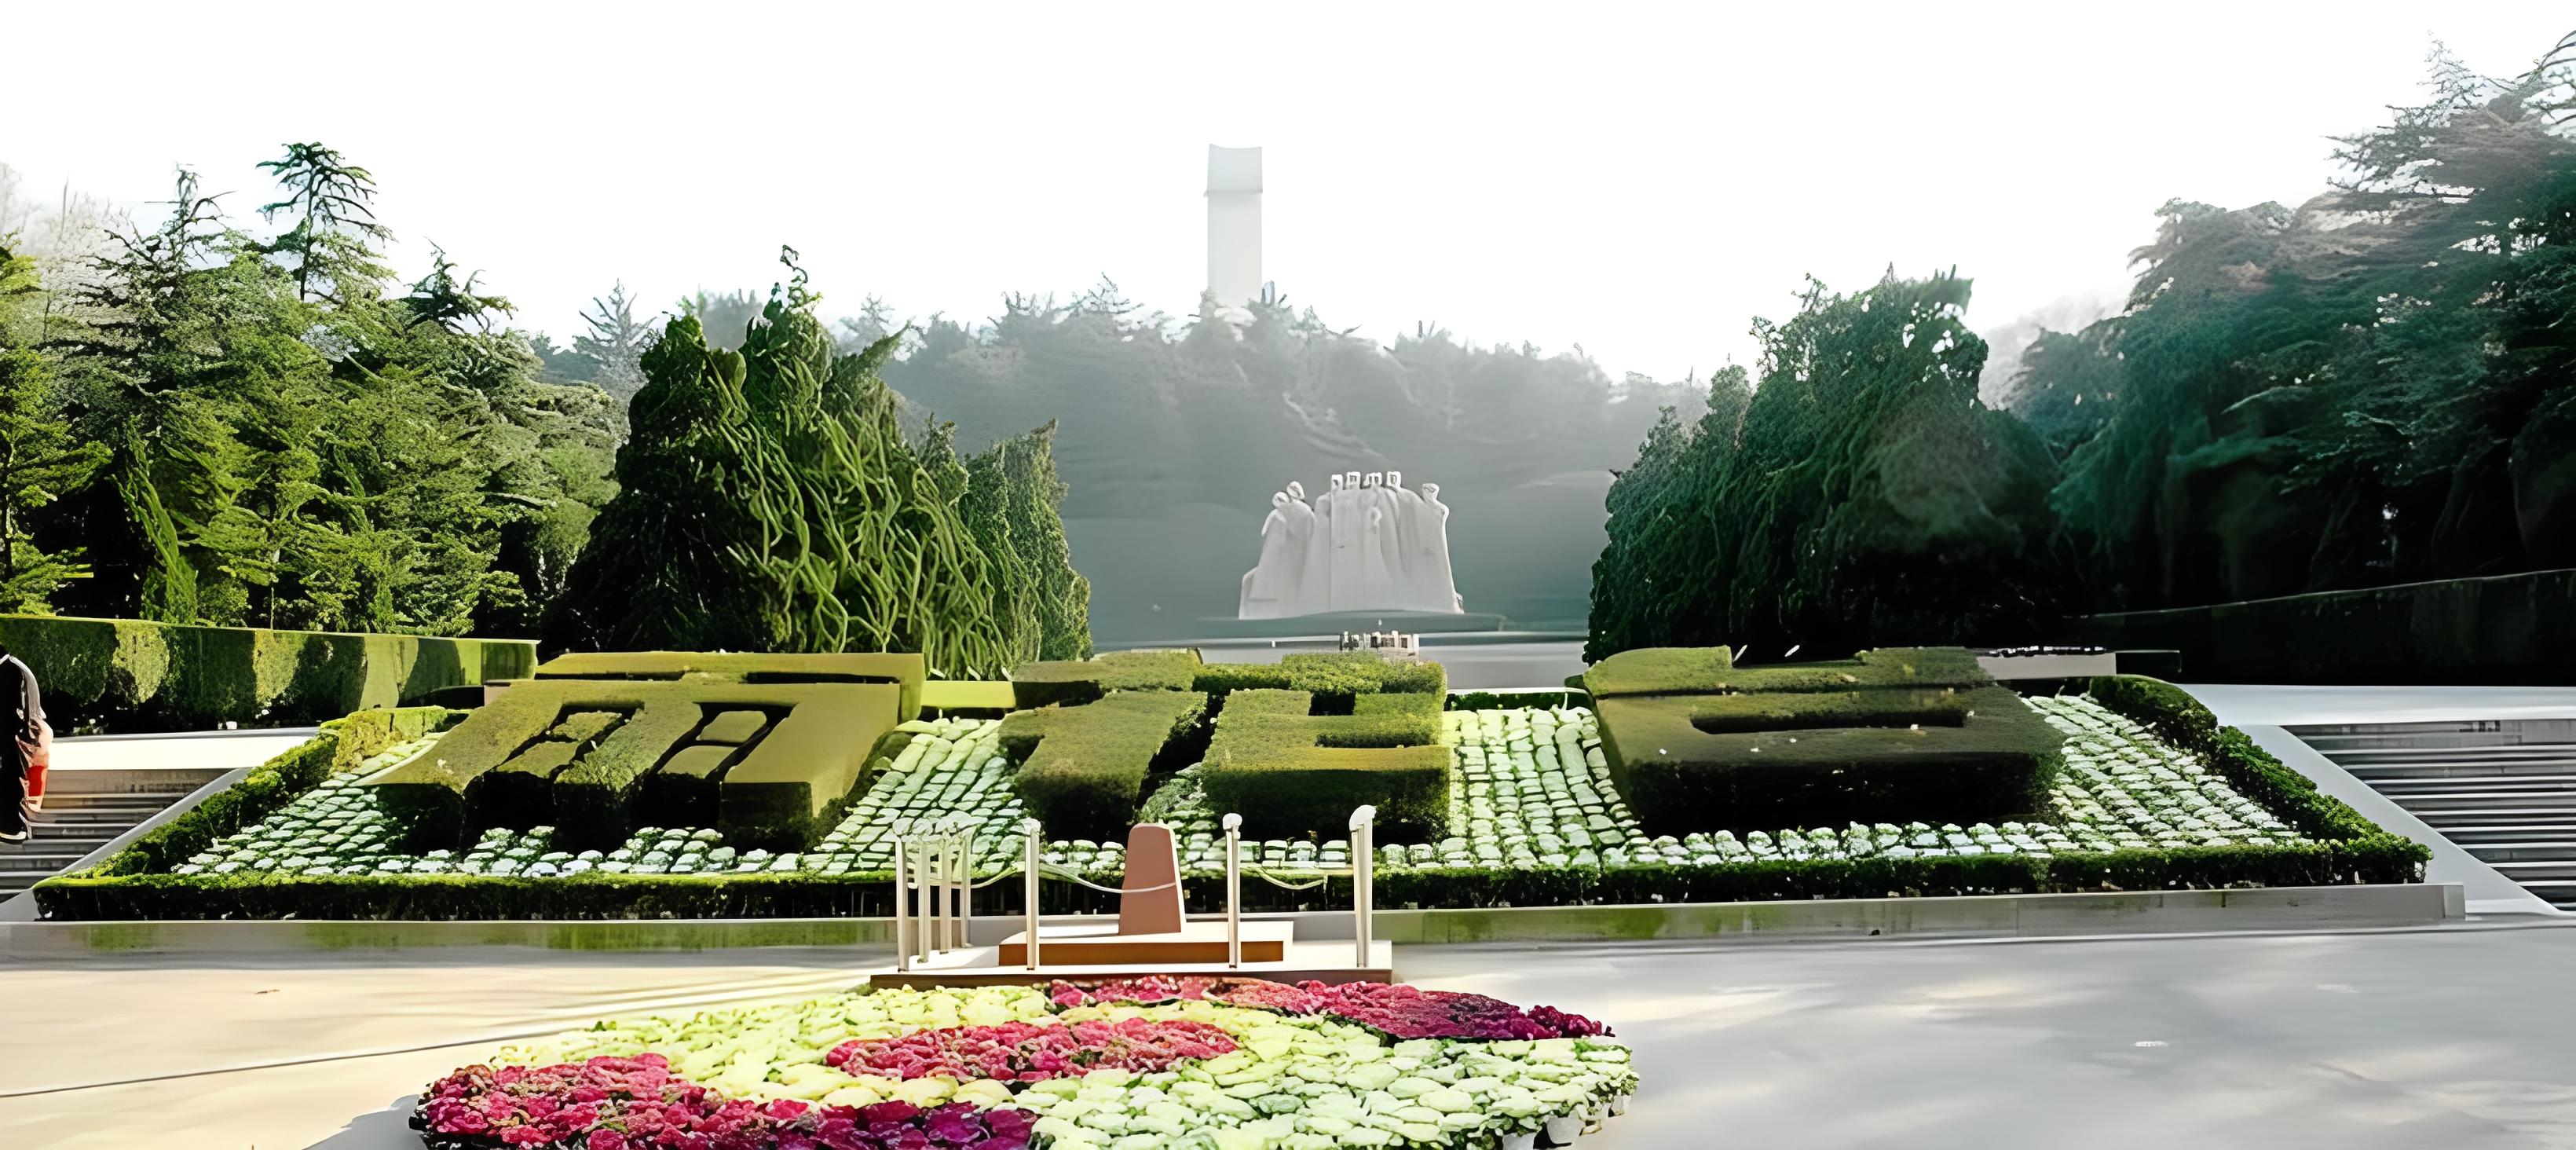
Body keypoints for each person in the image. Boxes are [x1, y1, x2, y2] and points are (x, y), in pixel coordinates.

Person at [0, 645, 44, 843]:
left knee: (11, 778)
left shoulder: (16, 671)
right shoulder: (18, 670)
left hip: (11, 741)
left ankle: (10, 824)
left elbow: (33, 716)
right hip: (10, 741)